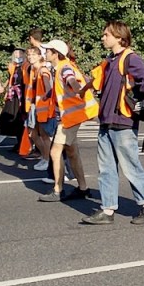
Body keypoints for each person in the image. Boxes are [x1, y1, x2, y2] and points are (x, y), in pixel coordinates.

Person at [80, 21, 144, 225]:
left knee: (131, 167)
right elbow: (96, 80)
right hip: (106, 122)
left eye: (106, 35)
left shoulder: (130, 58)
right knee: (106, 168)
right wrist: (82, 90)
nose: (103, 38)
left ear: (120, 37)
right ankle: (108, 210)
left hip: (123, 122)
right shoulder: (109, 60)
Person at [37, 39, 95, 203]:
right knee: (72, 153)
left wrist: (78, 89)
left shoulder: (65, 68)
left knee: (55, 152)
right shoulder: (58, 68)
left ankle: (58, 190)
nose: (45, 53)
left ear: (56, 54)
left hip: (69, 118)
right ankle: (83, 189)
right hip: (69, 117)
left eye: (48, 50)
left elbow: (71, 80)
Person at [25, 46, 54, 172]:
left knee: (44, 135)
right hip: (34, 106)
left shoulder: (43, 71)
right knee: (32, 133)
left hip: (43, 107)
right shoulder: (33, 69)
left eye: (33, 55)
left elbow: (48, 88)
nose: (30, 57)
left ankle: (47, 159)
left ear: (39, 56)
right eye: (29, 55)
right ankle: (45, 157)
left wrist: (47, 97)